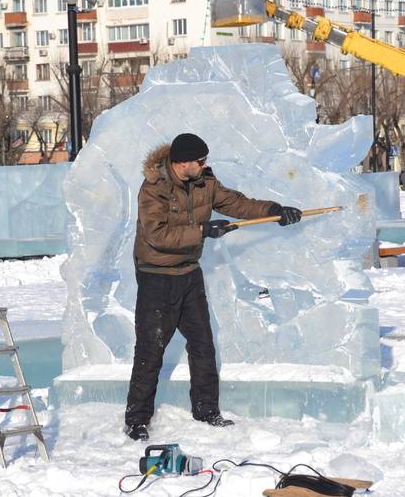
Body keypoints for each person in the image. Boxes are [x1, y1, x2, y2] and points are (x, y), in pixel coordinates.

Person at [124, 133, 302, 441]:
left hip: (189, 273)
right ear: (182, 163)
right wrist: (203, 231)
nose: (206, 164)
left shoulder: (205, 182)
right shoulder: (154, 189)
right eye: (201, 160)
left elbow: (236, 203)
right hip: (156, 275)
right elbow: (157, 236)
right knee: (150, 351)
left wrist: (275, 211)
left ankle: (206, 410)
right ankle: (137, 419)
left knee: (203, 344)